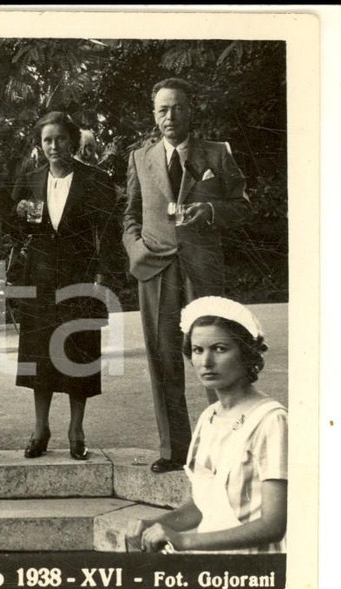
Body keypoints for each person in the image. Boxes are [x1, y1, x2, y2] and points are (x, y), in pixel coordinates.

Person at [122, 78, 251, 473]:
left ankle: (222, 446)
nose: (169, 116)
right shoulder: (140, 158)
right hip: (156, 267)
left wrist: (210, 212)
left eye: (177, 107)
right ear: (153, 114)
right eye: (162, 109)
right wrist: (136, 249)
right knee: (163, 358)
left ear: (191, 110)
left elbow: (242, 206)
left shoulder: (217, 153)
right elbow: (129, 214)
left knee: (214, 354)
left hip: (202, 265)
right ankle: (174, 449)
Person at [127, 296, 286, 553]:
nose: (206, 361)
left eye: (220, 349)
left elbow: (273, 524)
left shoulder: (271, 419)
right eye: (198, 350)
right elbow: (202, 505)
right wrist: (153, 524)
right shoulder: (209, 417)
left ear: (246, 353)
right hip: (208, 562)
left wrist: (186, 540)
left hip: (253, 569)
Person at [11, 112, 118, 461]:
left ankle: (76, 429)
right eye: (47, 140)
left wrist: (104, 275)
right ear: (39, 145)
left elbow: (109, 232)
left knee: (78, 353)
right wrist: (19, 211)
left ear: (71, 140)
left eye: (59, 139)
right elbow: (12, 226)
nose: (54, 146)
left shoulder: (95, 179)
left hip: (79, 278)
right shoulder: (30, 179)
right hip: (39, 278)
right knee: (39, 355)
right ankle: (40, 428)